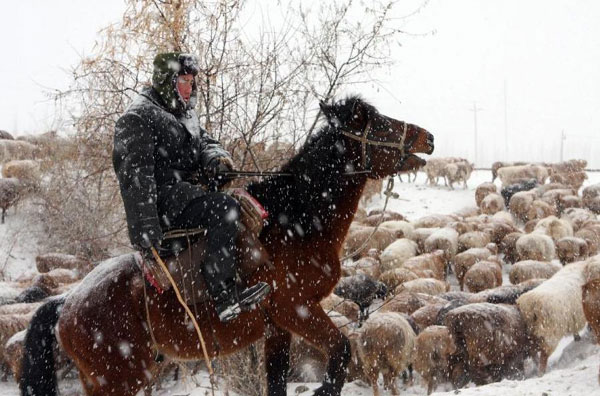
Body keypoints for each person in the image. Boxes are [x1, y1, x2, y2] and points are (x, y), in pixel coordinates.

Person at [112, 52, 270, 322]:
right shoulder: (138, 117)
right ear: (167, 81)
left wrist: (216, 160)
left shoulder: (183, 111)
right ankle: (223, 295)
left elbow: (205, 141)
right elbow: (136, 180)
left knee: (244, 201)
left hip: (187, 196)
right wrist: (145, 232)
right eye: (184, 81)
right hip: (164, 205)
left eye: (192, 82)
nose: (190, 88)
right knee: (226, 209)